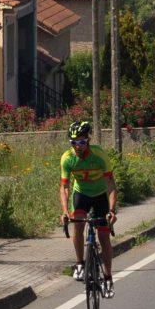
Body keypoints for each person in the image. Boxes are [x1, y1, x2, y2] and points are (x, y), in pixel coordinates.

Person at [58, 120, 117, 294]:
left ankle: (107, 278)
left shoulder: (99, 155)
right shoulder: (67, 158)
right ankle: (79, 262)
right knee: (78, 223)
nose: (78, 146)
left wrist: (112, 211)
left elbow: (111, 184)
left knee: (104, 236)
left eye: (82, 142)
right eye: (74, 142)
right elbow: (64, 187)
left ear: (88, 140)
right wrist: (65, 211)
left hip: (100, 195)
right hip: (81, 194)